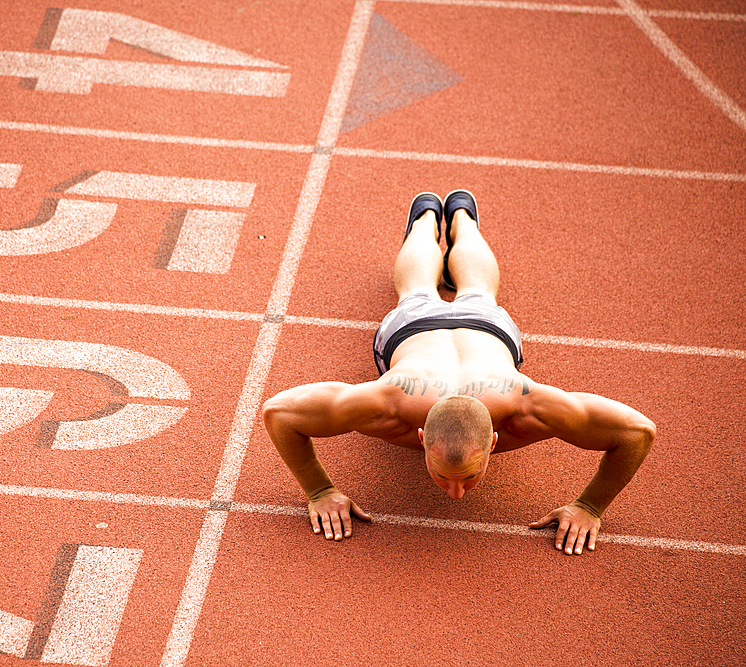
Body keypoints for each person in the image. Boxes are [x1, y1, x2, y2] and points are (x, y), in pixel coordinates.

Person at [262, 190, 655, 555]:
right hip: (444, 329)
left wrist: (590, 506)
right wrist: (319, 490)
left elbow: (637, 433)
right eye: (444, 476)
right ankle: (443, 217)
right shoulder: (386, 404)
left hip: (459, 331)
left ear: (494, 442)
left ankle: (446, 218)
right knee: (455, 291)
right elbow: (278, 413)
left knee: (429, 290)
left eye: (467, 477)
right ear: (420, 435)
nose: (456, 495)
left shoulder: (532, 407)